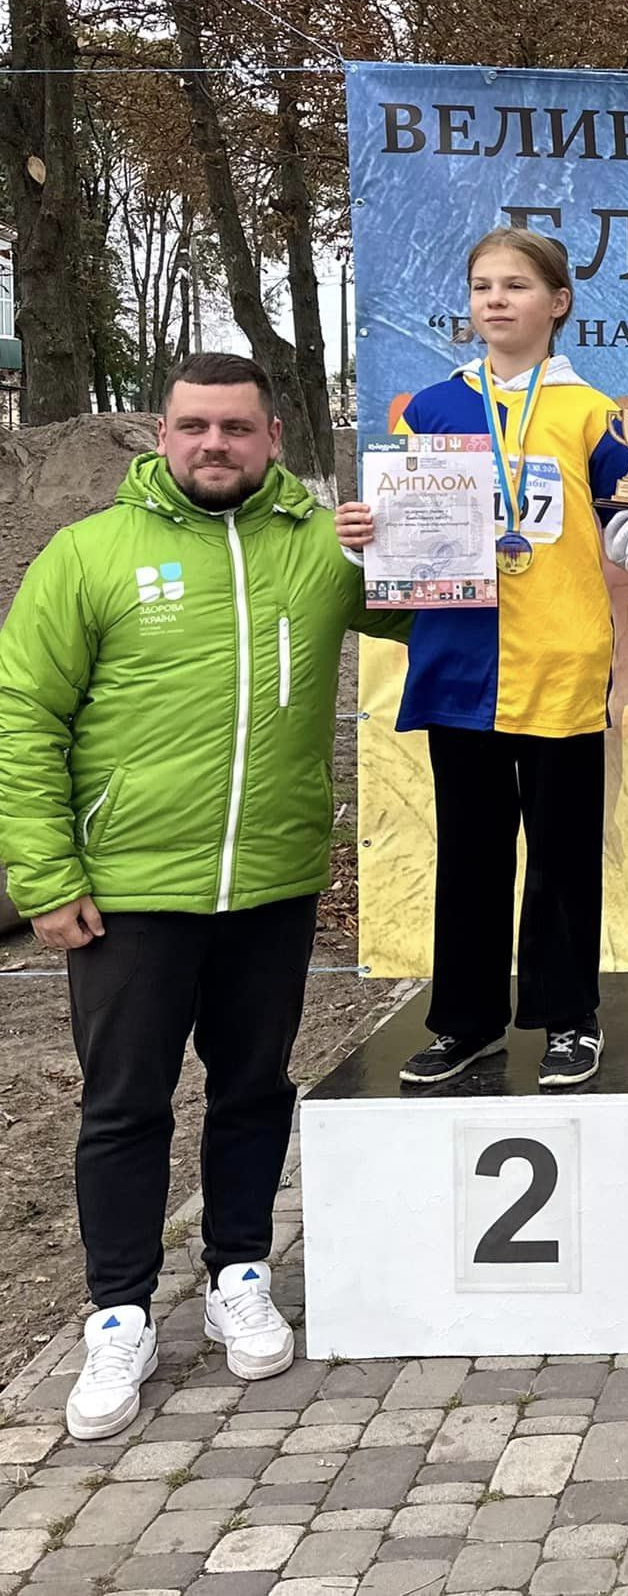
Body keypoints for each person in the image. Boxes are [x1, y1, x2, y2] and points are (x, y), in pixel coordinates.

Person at [0, 353, 407, 1439]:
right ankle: (119, 1312)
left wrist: (412, 544)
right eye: (193, 427)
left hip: (270, 886)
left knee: (253, 1087)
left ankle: (238, 1272)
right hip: (126, 893)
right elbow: (23, 716)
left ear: (274, 438)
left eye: (235, 427)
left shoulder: (323, 551)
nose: (213, 445)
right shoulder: (90, 554)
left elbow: (439, 614)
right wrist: (45, 878)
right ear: (163, 437)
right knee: (124, 1107)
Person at [352, 226, 628, 1090]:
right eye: (483, 286)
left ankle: (571, 1019)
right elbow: (414, 532)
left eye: (518, 286)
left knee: (564, 853)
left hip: (562, 659)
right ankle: (465, 1023)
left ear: (557, 303)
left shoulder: (594, 412)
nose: (496, 300)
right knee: (470, 852)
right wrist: (367, 538)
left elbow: (625, 527)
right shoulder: (430, 407)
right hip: (460, 660)